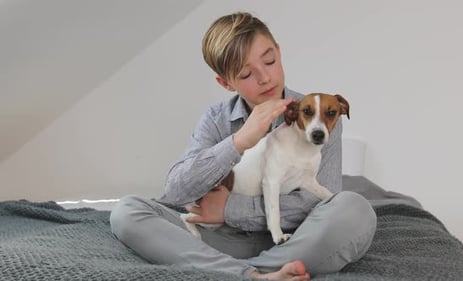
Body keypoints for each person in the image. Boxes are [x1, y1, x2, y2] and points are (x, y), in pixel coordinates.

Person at [110, 12, 376, 280]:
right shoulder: (216, 119)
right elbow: (175, 192)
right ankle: (254, 274)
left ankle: (239, 271)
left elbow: (318, 201)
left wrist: (228, 209)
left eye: (270, 61)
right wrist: (238, 142)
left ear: (279, 52)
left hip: (293, 241)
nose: (265, 78)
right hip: (218, 241)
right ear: (226, 83)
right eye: (246, 73)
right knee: (127, 211)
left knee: (354, 209)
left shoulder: (319, 113)